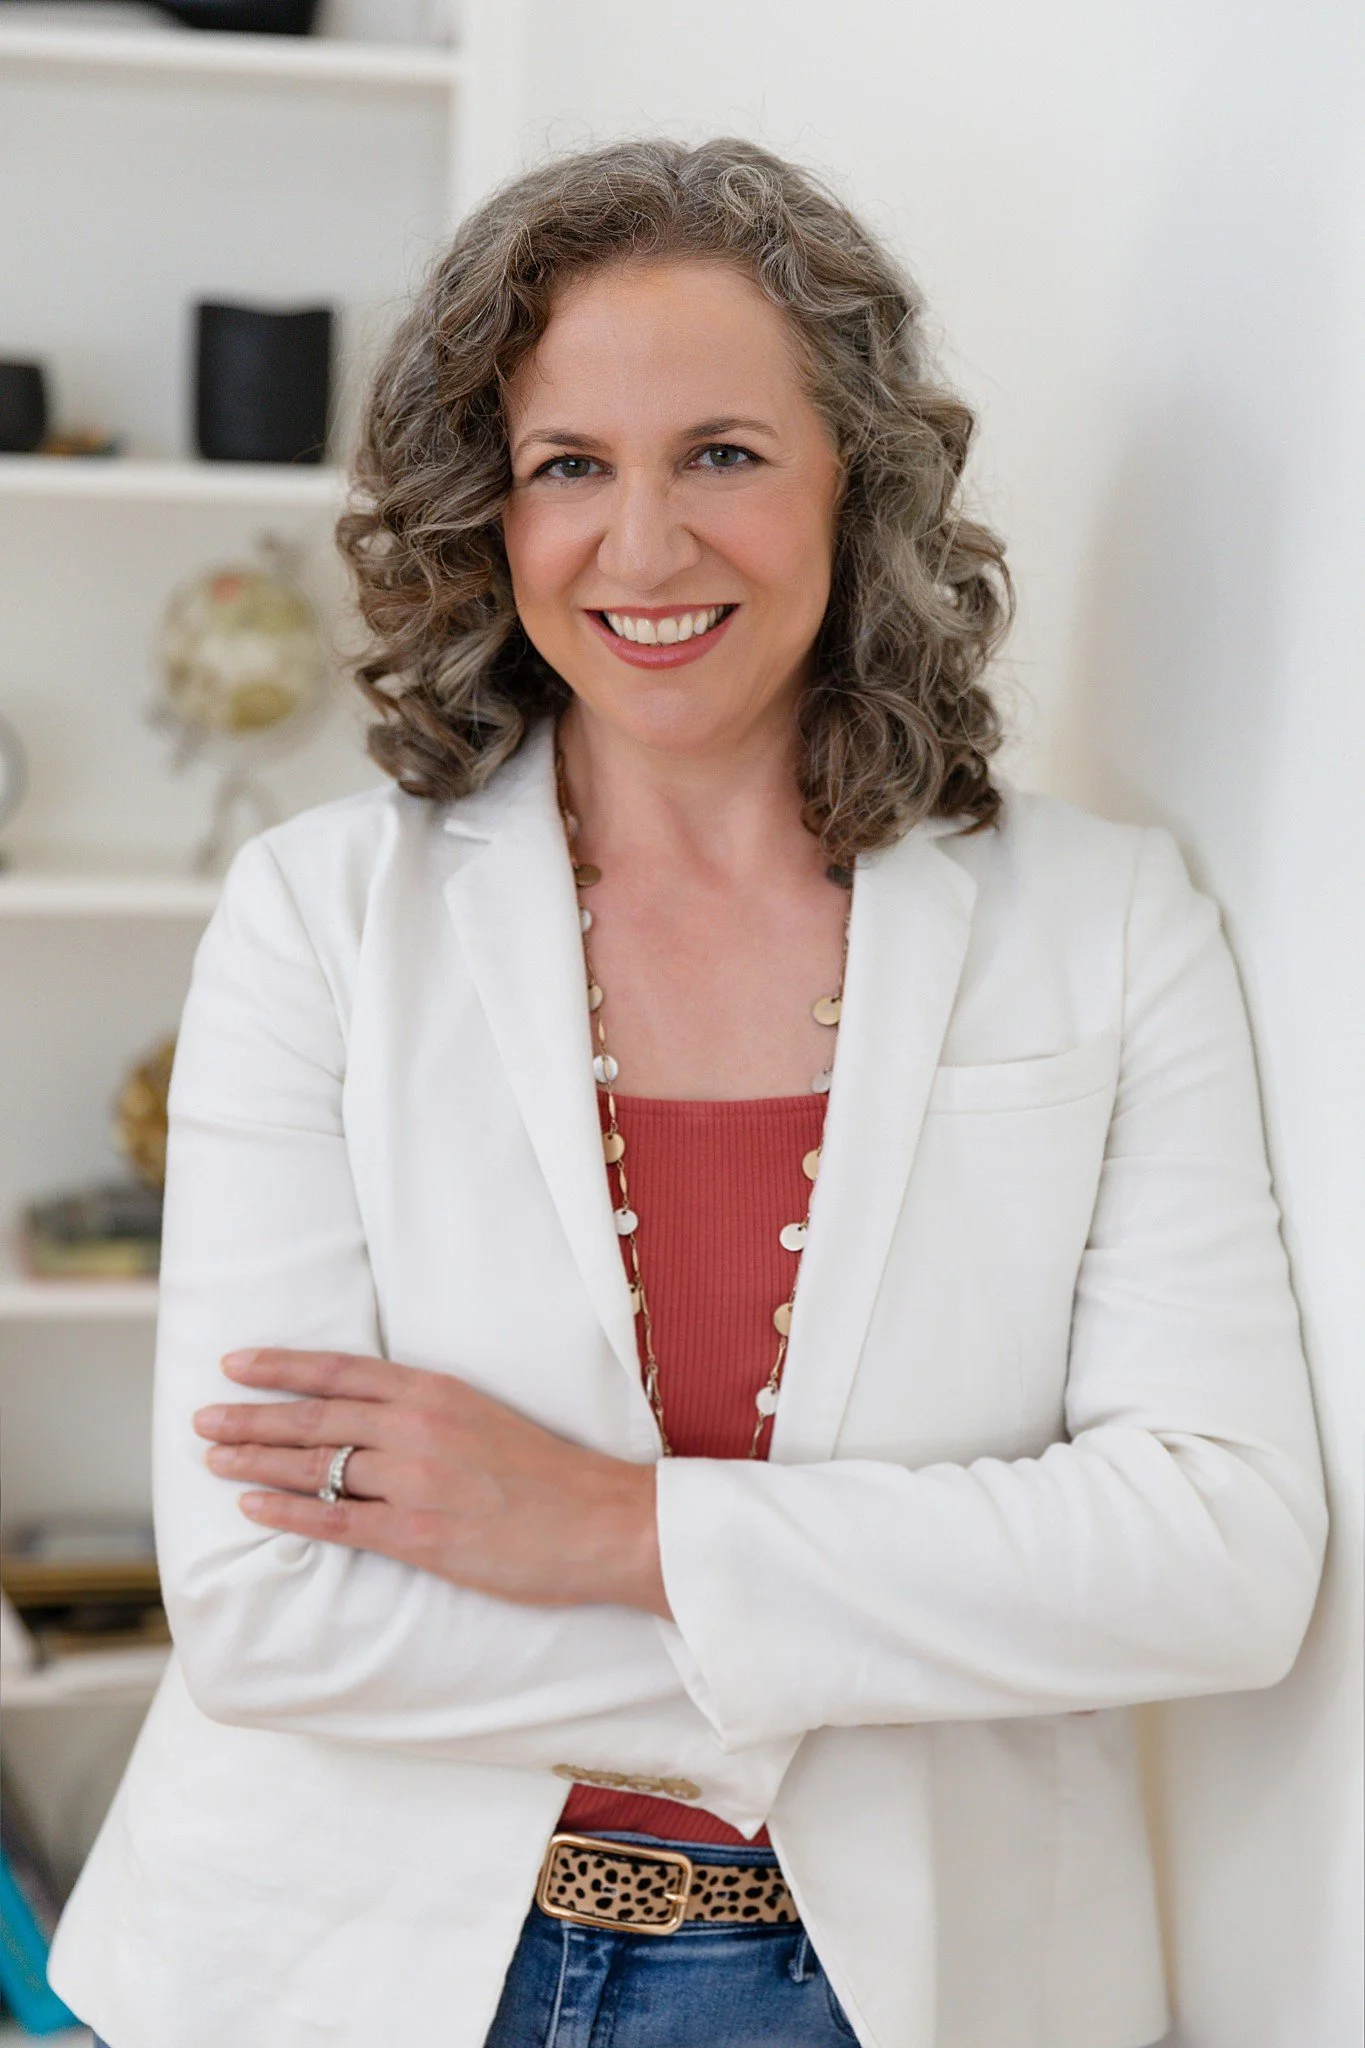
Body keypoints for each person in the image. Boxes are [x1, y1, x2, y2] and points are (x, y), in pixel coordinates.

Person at [51, 138, 1326, 2048]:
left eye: (722, 452)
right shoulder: (320, 919)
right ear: (488, 513)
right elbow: (262, 1608)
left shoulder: (1106, 924)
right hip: (350, 1973)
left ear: (857, 482)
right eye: (571, 466)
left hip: (925, 1988)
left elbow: (1218, 1561)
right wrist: (932, 1622)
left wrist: (611, 1529)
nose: (642, 549)